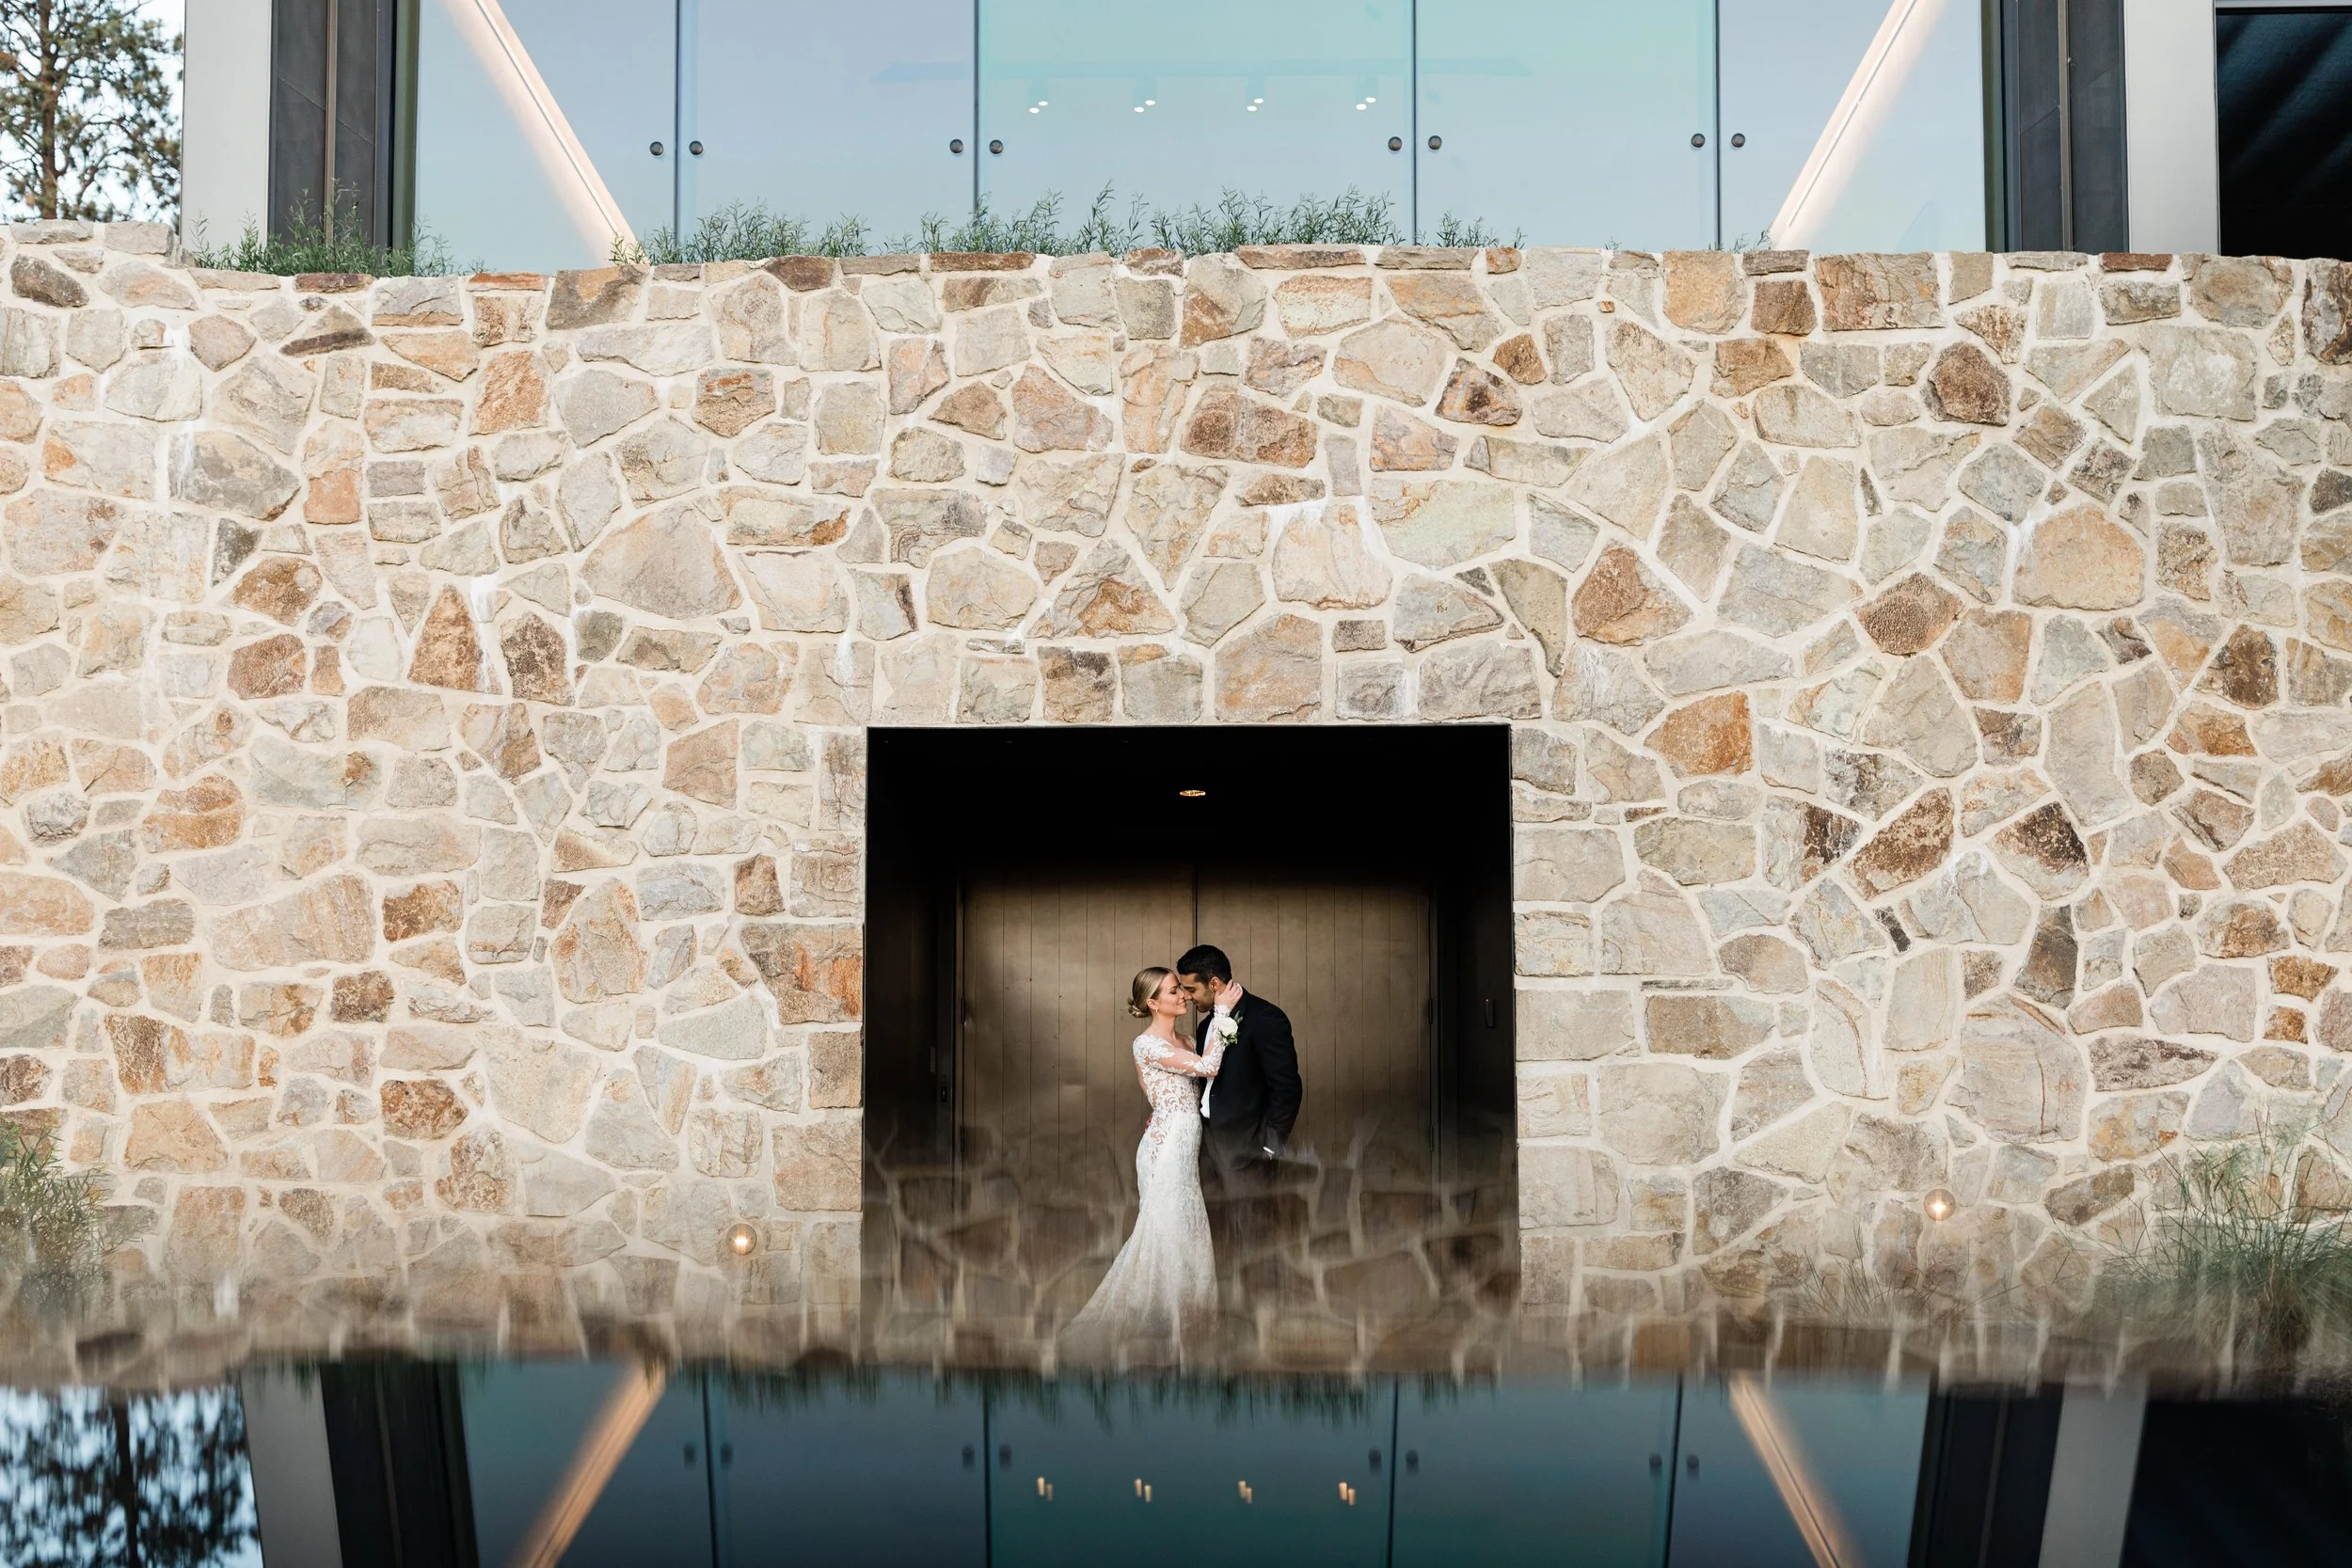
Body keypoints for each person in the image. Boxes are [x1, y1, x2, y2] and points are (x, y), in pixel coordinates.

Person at [1059, 967, 1227, 1357]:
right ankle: (1165, 1333)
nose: (1183, 996)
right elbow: (1208, 1067)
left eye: (1182, 990)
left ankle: (1187, 1329)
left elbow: (1183, 1090)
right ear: (1153, 1002)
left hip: (1185, 1143)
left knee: (1185, 1230)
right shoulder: (1145, 1044)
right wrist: (1220, 1014)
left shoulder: (1186, 1038)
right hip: (1165, 1148)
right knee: (1166, 1231)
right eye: (1173, 991)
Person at [1173, 943, 1301, 1175]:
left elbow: (1287, 1088)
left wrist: (1269, 1147)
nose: (1186, 996)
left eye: (1191, 989)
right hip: (1207, 1153)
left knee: (1251, 1213)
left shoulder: (1265, 1018)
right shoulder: (1205, 1026)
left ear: (1213, 983)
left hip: (1248, 1152)